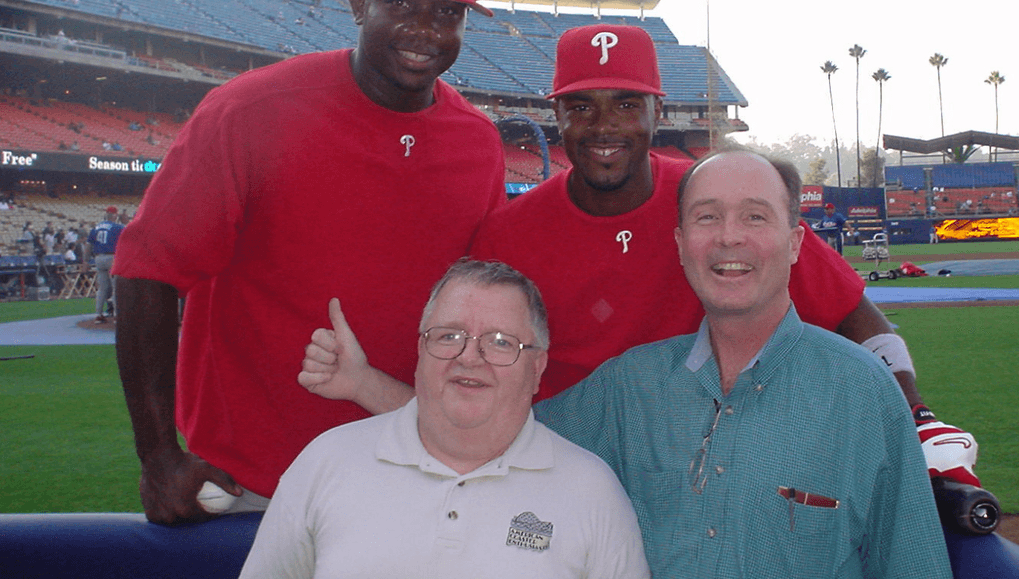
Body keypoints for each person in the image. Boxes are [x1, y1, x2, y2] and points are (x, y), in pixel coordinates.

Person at [301, 24, 983, 493]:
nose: (603, 127)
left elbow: (853, 316)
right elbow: (468, 378)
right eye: (582, 107)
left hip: (705, 474)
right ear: (556, 116)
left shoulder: (714, 200)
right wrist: (365, 383)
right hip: (557, 474)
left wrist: (915, 417)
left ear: (659, 108)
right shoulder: (509, 235)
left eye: (626, 104)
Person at [307, 151, 951, 577]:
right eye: (707, 218)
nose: (729, 237)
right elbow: (477, 436)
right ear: (680, 244)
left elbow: (915, 566)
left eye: (754, 218)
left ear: (794, 243)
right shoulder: (629, 387)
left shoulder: (861, 393)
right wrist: (363, 384)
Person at [112, 0, 505, 525]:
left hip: (410, 475)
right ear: (357, 4)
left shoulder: (478, 142)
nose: (425, 32)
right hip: (255, 481)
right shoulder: (249, 110)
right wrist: (157, 452)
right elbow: (147, 271)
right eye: (400, 4)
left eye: (447, 14)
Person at [240, 260, 649, 579]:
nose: (469, 357)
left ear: (537, 368)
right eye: (449, 336)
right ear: (420, 351)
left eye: (501, 342)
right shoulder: (325, 463)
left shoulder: (593, 493)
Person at [88, 207, 124, 323]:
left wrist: (85, 261)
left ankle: (98, 314)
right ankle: (116, 315)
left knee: (102, 288)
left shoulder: (95, 227)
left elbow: (89, 245)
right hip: (112, 257)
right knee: (115, 287)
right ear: (114, 215)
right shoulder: (118, 227)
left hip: (98, 257)